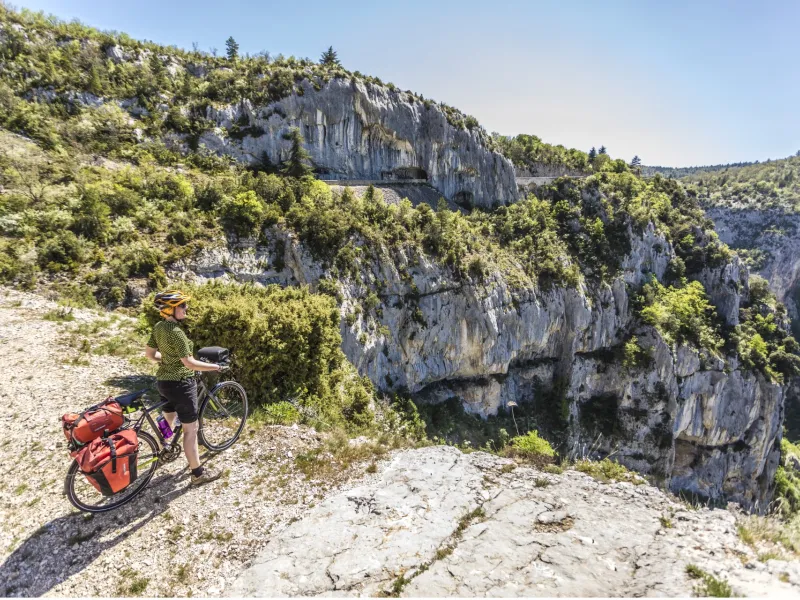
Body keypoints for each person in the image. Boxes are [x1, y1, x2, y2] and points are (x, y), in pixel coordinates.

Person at [145, 290, 222, 486]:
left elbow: (150, 355)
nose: (186, 309)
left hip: (164, 383)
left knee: (168, 418)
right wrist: (215, 367)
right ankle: (198, 473)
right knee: (191, 429)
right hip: (181, 385)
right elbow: (189, 363)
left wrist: (170, 360)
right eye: (182, 306)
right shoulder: (177, 332)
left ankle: (165, 447)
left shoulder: (159, 327)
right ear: (171, 309)